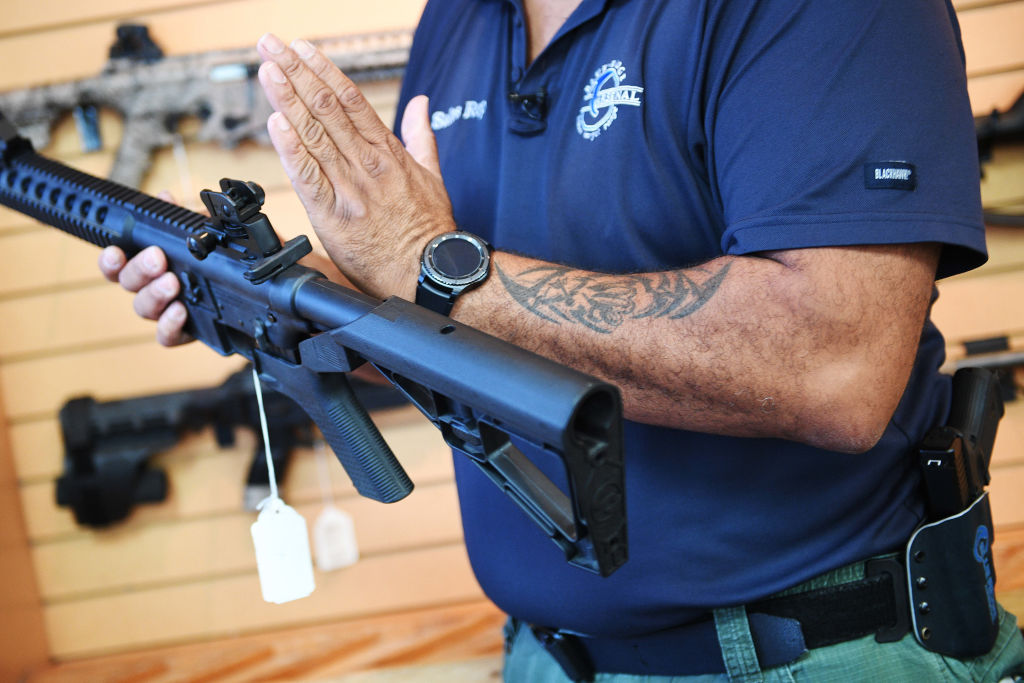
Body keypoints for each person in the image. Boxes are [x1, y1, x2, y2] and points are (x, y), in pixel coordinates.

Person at [99, 0, 1024, 680]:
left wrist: (432, 265)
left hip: (816, 652)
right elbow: (461, 329)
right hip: (543, 658)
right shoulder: (456, 22)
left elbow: (835, 365)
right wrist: (284, 310)